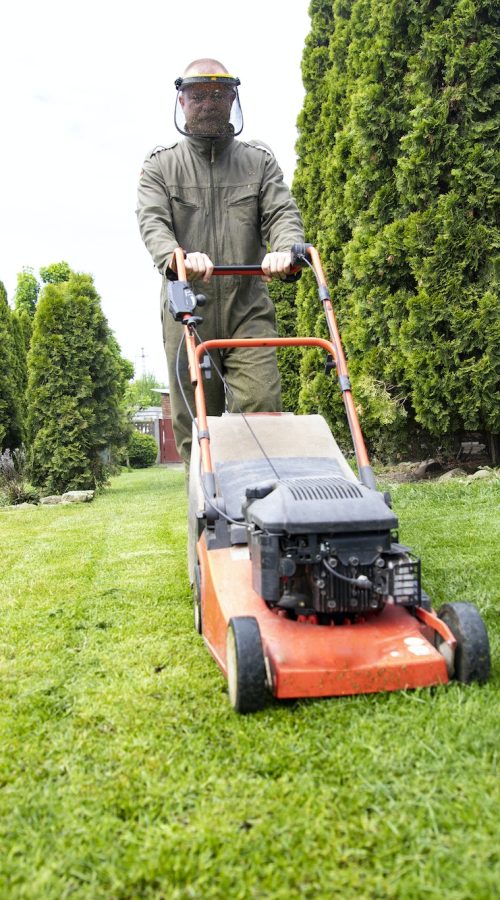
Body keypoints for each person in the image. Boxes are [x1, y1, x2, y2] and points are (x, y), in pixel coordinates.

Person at [136, 58, 305, 464]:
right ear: (182, 100)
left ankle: (263, 511)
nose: (208, 103)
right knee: (197, 426)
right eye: (198, 95)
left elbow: (282, 213)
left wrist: (286, 249)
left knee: (262, 410)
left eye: (218, 94)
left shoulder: (258, 162)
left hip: (248, 306)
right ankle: (208, 519)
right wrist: (177, 258)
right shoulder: (161, 166)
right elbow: (153, 222)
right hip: (187, 310)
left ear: (232, 99)